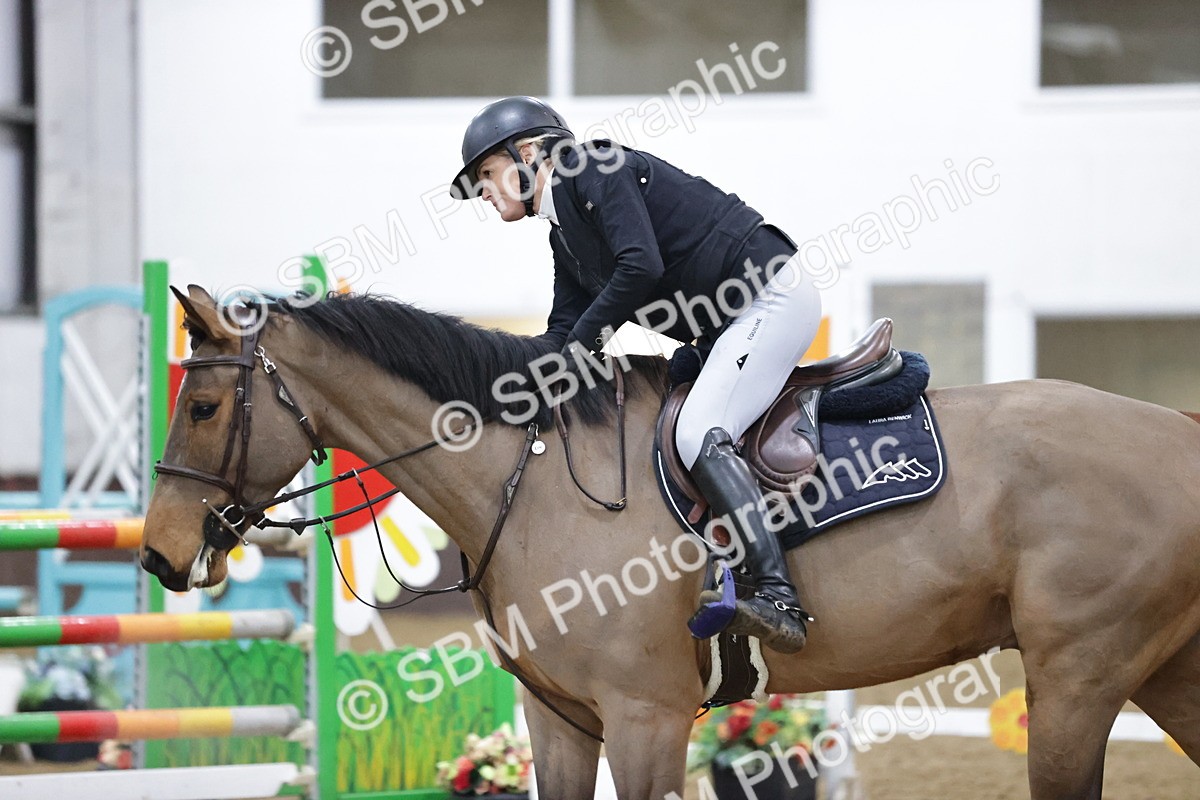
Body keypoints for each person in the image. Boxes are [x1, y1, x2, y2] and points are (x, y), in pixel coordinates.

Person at [449, 96, 821, 654]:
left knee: (697, 432)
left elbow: (639, 266)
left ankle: (779, 596)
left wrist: (576, 349)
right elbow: (565, 330)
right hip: (725, 327)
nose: (483, 191)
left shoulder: (591, 165)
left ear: (527, 152)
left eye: (486, 173)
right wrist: (497, 377)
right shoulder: (564, 233)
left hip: (767, 298)